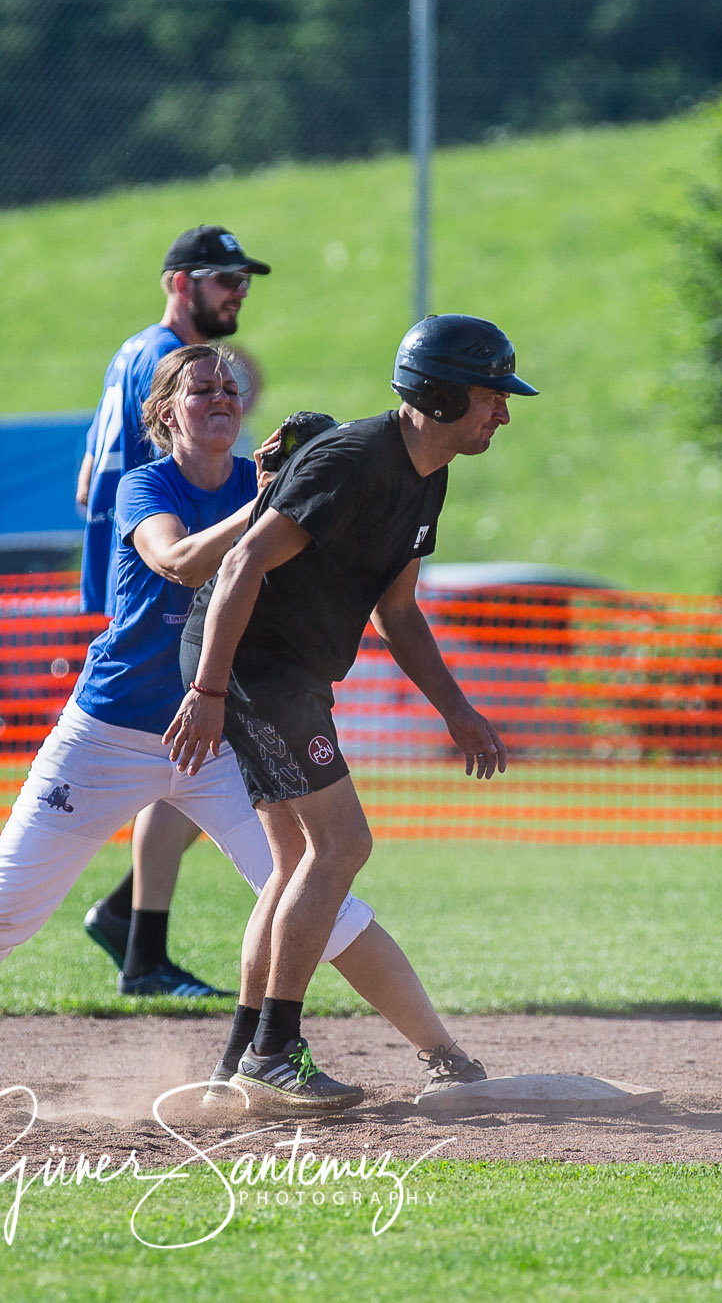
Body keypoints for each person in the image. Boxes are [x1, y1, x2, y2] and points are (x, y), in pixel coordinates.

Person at [0, 346, 488, 1103]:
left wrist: (306, 488)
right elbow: (182, 562)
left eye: (230, 387)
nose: (221, 397)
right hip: (112, 731)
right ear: (166, 413)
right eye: (201, 389)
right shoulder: (148, 484)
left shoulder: (259, 480)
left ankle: (441, 1055)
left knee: (315, 886)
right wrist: (275, 501)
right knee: (1, 909)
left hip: (222, 733)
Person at [166, 314, 534, 1112]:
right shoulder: (351, 461)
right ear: (441, 395)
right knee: (343, 843)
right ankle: (274, 1052)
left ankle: (240, 1059)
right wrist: (209, 692)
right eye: (491, 396)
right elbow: (241, 562)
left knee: (297, 858)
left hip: (285, 671)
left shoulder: (426, 475)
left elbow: (397, 611)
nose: (502, 413)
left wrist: (456, 709)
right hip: (255, 665)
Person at [74, 225, 270, 998]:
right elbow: (164, 485)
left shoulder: (131, 351)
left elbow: (87, 483)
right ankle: (137, 936)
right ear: (180, 283)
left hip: (138, 572)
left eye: (244, 280)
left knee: (189, 760)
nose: (239, 292)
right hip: (167, 582)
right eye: (226, 278)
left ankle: (134, 927)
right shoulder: (172, 359)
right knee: (189, 758)